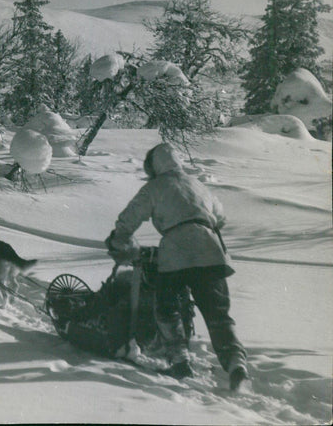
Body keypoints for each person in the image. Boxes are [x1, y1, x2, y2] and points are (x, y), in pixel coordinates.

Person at [105, 142, 249, 391]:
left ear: (154, 165)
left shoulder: (155, 186)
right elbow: (221, 218)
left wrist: (119, 239)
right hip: (211, 250)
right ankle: (236, 364)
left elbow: (130, 216)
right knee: (218, 313)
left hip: (177, 251)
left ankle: (180, 360)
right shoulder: (198, 185)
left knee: (167, 307)